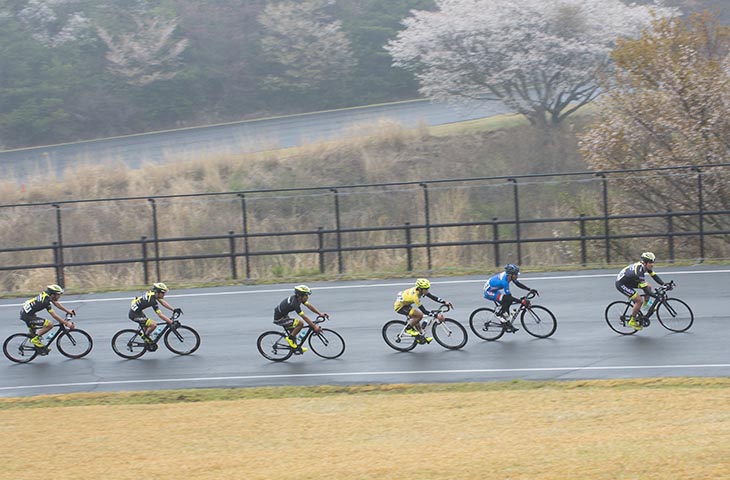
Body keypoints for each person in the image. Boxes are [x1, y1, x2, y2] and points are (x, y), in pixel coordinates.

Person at [615, 252, 668, 331]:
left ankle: (646, 306)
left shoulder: (645, 266)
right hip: (622, 284)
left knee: (649, 286)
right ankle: (632, 320)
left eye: (653, 262)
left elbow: (654, 276)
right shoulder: (639, 272)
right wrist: (657, 296)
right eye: (650, 262)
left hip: (630, 280)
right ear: (645, 263)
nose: (652, 264)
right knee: (639, 300)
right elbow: (646, 291)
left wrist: (664, 284)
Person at [393, 278, 453, 343]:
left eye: (428, 289)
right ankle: (408, 328)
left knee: (417, 320)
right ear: (420, 289)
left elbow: (432, 297)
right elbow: (424, 311)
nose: (427, 291)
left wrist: (444, 302)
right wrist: (436, 315)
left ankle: (421, 337)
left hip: (405, 304)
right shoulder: (415, 297)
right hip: (400, 307)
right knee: (419, 315)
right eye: (426, 289)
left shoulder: (421, 290)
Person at [273, 285, 329, 354]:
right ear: (300, 296)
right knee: (300, 323)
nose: (307, 297)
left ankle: (295, 348)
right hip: (279, 319)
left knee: (293, 330)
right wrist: (314, 326)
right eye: (306, 295)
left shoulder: (298, 299)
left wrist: (319, 313)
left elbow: (309, 306)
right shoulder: (295, 304)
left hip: (284, 315)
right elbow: (304, 317)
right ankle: (289, 339)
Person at [20, 284, 76, 353]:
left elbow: (56, 303)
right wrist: (66, 323)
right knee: (50, 324)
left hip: (27, 313)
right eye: (58, 294)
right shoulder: (45, 302)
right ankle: (35, 340)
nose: (59, 296)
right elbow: (54, 316)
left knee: (34, 333)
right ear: (53, 295)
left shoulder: (47, 295)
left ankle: (39, 349)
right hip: (27, 316)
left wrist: (68, 311)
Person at [483, 264, 538, 331]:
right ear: (510, 275)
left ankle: (505, 322)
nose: (517, 276)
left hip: (494, 290)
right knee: (507, 299)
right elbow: (509, 297)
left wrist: (529, 289)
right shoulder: (504, 282)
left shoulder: (509, 276)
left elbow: (518, 284)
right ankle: (499, 315)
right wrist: (521, 301)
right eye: (516, 275)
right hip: (489, 292)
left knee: (506, 305)